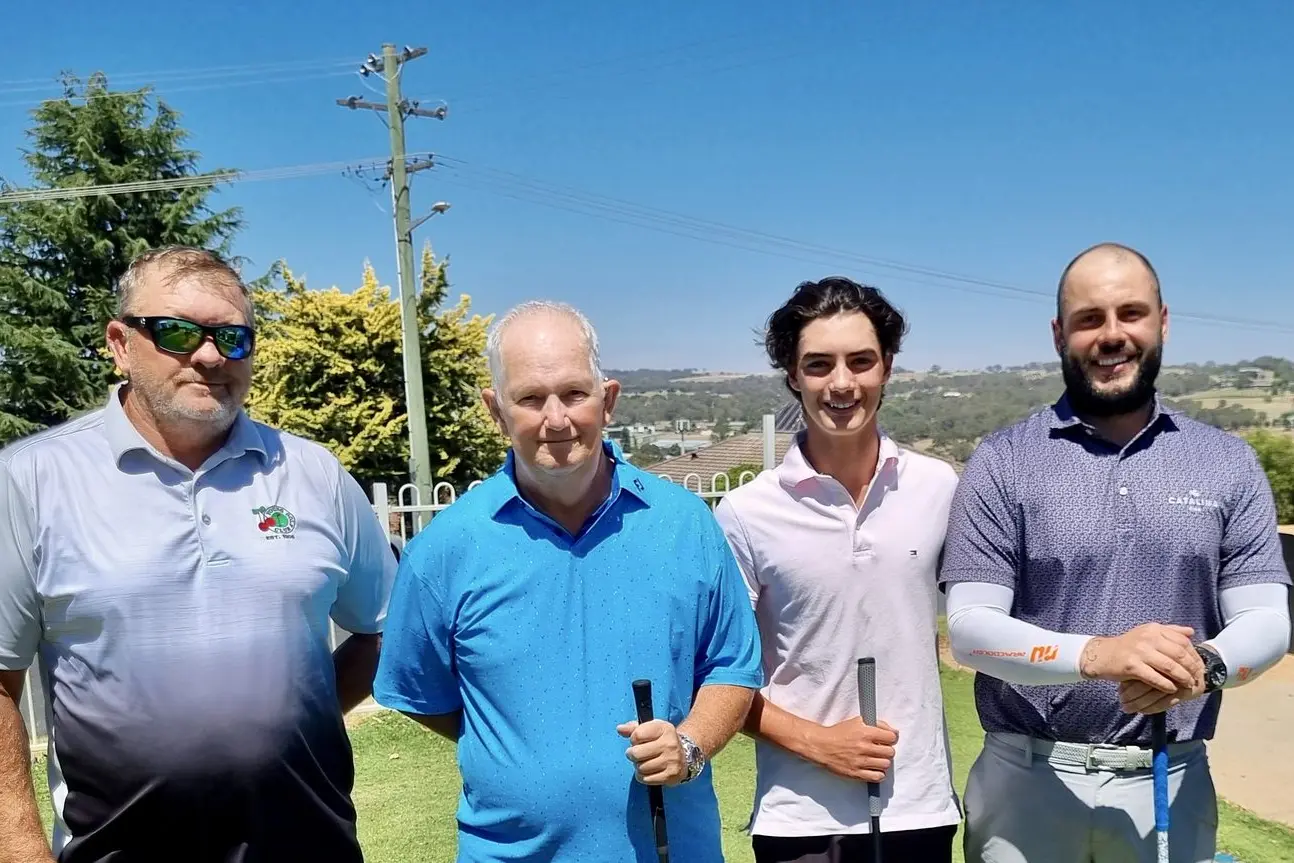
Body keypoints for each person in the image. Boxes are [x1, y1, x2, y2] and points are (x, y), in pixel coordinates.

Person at [0, 246, 397, 863]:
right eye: (178, 333)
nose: (209, 356)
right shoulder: (28, 481)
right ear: (120, 344)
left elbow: (384, 631)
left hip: (309, 846)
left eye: (232, 338)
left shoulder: (312, 474)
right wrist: (19, 850)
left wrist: (294, 719)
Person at [372, 300, 763, 862]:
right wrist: (513, 750)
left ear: (608, 399)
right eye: (529, 398)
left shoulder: (686, 525)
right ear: (495, 410)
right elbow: (424, 695)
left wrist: (691, 745)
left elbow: (733, 665)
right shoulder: (444, 550)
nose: (556, 419)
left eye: (575, 394)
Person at [940, 242, 1293, 863]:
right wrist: (1101, 655)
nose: (1112, 335)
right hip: (1028, 778)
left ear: (1162, 321)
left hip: (1172, 774)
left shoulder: (1226, 461)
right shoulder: (1003, 460)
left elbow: (1267, 619)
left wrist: (1199, 668)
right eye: (1088, 319)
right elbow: (970, 631)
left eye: (1130, 313)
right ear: (1059, 334)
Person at [714, 277, 963, 863]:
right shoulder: (746, 513)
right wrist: (819, 743)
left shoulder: (939, 488)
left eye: (861, 361)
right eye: (820, 365)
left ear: (888, 367)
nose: (842, 383)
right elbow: (717, 674)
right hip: (799, 819)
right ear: (793, 376)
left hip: (920, 809)